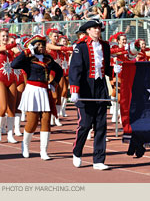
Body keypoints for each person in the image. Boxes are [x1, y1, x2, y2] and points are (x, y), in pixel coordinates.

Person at [69, 19, 115, 170]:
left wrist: (115, 71)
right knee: (85, 124)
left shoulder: (105, 46)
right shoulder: (80, 47)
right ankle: (77, 151)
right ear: (88, 31)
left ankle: (99, 159)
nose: (97, 30)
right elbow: (75, 69)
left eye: (98, 28)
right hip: (85, 87)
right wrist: (74, 90)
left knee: (101, 125)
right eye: (94, 28)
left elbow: (106, 67)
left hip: (100, 87)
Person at [11, 35, 63, 159]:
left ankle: (43, 151)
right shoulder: (28, 59)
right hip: (32, 91)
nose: (41, 47)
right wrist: (27, 51)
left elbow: (59, 70)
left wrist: (54, 83)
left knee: (46, 121)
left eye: (43, 45)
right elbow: (14, 64)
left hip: (45, 91)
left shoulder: (48, 58)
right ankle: (25, 145)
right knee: (32, 122)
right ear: (33, 46)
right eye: (38, 45)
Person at [0, 28, 18, 143]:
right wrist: (15, 44)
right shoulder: (3, 48)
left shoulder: (10, 50)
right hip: (0, 79)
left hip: (11, 79)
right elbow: (4, 47)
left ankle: (10, 134)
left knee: (12, 108)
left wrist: (18, 50)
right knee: (2, 107)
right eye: (3, 36)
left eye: (6, 36)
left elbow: (20, 56)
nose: (5, 38)